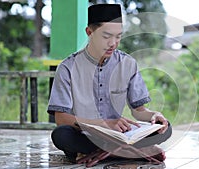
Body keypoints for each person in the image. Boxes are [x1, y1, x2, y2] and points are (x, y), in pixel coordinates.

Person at [47, 4, 172, 166]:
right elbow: (61, 119)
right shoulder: (67, 68)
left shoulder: (128, 64)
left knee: (165, 128)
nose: (113, 43)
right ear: (89, 33)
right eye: (106, 36)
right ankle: (126, 152)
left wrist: (154, 115)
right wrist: (104, 124)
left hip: (118, 134)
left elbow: (139, 111)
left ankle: (107, 152)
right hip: (84, 134)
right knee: (61, 135)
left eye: (118, 36)